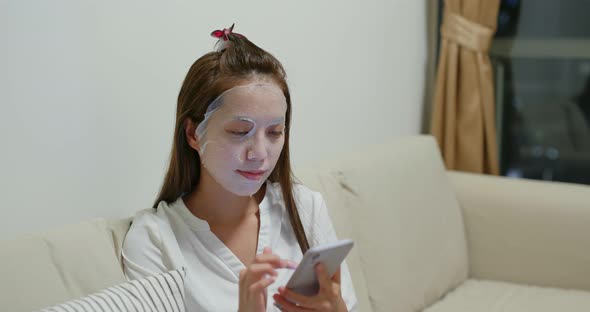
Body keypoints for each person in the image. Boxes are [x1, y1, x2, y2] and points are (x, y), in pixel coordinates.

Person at [122, 24, 358, 312]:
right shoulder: (155, 240)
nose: (260, 154)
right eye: (238, 131)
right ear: (193, 134)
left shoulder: (305, 208)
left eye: (274, 132)